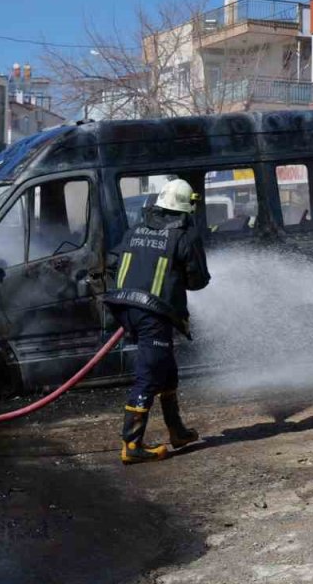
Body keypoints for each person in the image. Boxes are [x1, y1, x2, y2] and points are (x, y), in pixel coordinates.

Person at [104, 179, 210, 465]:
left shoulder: (135, 229)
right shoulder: (183, 235)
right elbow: (198, 281)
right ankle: (132, 445)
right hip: (153, 313)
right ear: (187, 207)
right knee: (149, 374)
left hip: (125, 307)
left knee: (166, 368)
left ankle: (177, 431)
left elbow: (112, 263)